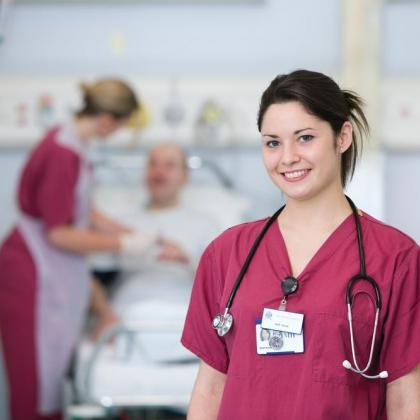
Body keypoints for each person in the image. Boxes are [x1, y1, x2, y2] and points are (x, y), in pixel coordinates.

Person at [181, 70, 420, 419]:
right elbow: (211, 385)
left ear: (343, 137)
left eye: (305, 138)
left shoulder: (395, 258)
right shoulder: (228, 253)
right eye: (273, 143)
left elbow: (405, 392)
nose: (288, 157)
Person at [0, 79, 172, 420]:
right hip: (32, 275)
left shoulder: (73, 146)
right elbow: (60, 233)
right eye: (121, 127)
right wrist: (124, 245)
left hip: (48, 273)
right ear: (108, 121)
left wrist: (140, 236)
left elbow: (83, 212)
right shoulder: (62, 153)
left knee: (47, 385)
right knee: (34, 390)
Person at [99, 143, 222, 324]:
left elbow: (223, 283)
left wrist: (187, 260)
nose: (159, 173)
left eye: (169, 166)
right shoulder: (120, 224)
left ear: (185, 177)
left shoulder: (207, 226)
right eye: (153, 165)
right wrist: (105, 316)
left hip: (185, 316)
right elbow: (93, 277)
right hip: (127, 316)